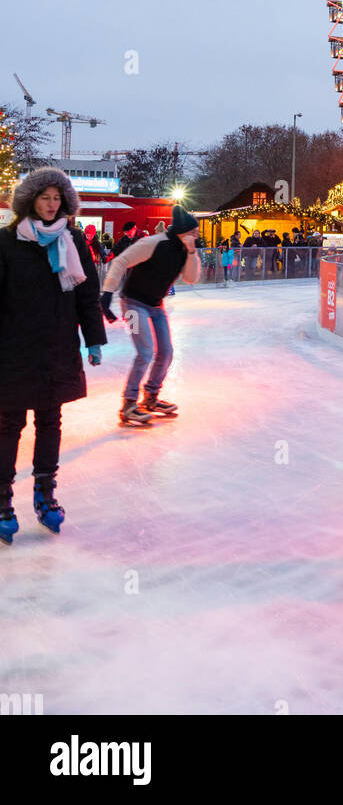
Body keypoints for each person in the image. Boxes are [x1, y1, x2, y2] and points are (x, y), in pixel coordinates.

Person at [0, 168, 106, 541]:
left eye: (57, 198)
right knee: (9, 424)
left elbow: (86, 295)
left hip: (58, 346)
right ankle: (2, 499)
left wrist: (93, 339)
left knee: (50, 422)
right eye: (45, 197)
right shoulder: (7, 241)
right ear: (30, 200)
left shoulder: (72, 240)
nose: (51, 205)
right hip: (14, 349)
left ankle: (45, 494)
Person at [100, 202, 201, 425]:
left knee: (166, 352)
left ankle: (151, 397)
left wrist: (192, 251)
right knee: (145, 352)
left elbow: (191, 278)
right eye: (194, 232)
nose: (197, 235)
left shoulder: (185, 251)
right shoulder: (155, 242)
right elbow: (121, 261)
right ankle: (128, 404)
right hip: (133, 304)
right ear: (183, 231)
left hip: (156, 306)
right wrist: (107, 293)